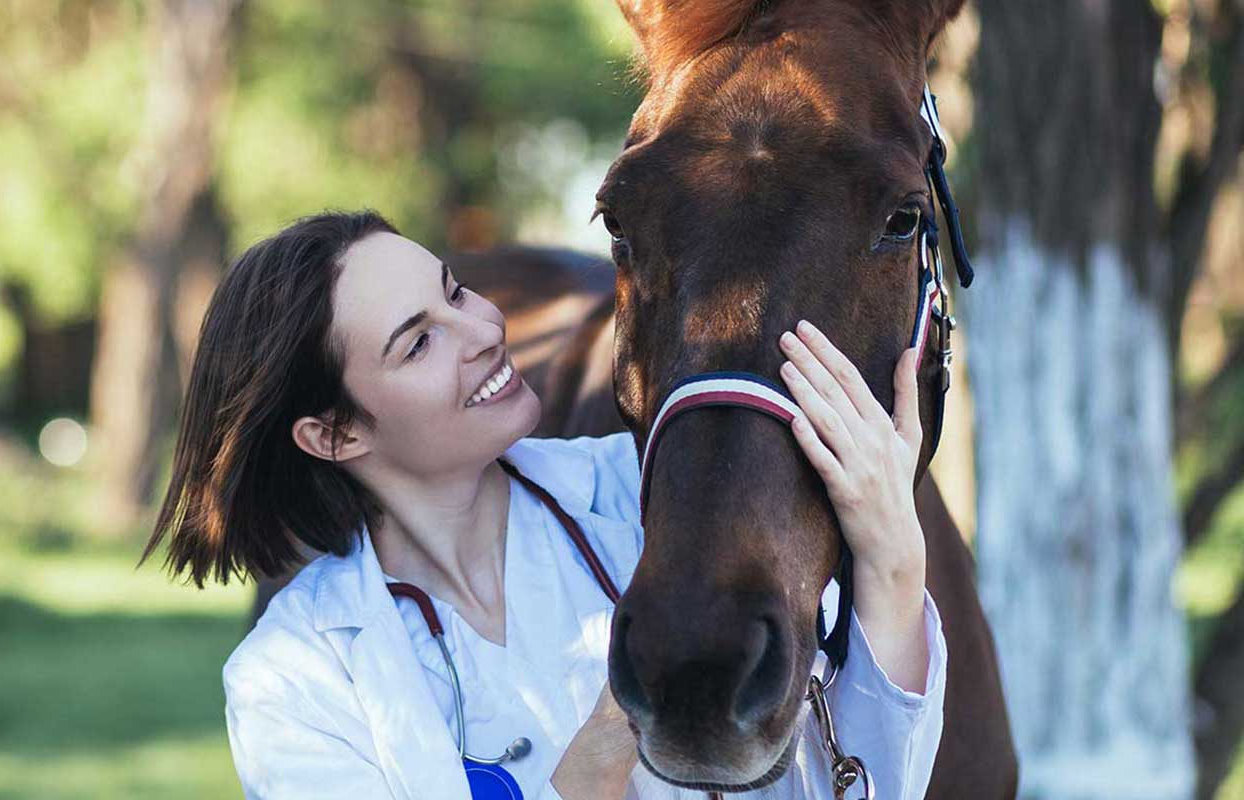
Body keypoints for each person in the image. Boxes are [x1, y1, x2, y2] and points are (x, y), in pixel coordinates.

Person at [142, 210, 946, 800]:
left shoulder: (655, 504)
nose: (486, 331)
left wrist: (891, 554)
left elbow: (856, 782)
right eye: (420, 341)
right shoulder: (295, 678)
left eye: (456, 293)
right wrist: (593, 765)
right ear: (335, 434)